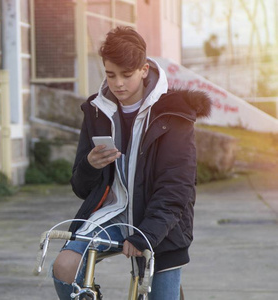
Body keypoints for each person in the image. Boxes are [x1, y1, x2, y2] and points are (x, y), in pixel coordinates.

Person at [52, 26, 211, 300]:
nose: (118, 84)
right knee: (64, 267)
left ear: (144, 69)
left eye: (127, 75)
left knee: (160, 293)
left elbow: (176, 188)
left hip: (161, 224)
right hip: (111, 214)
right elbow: (80, 187)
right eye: (110, 75)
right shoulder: (96, 111)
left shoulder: (173, 114)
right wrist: (90, 165)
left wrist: (146, 234)